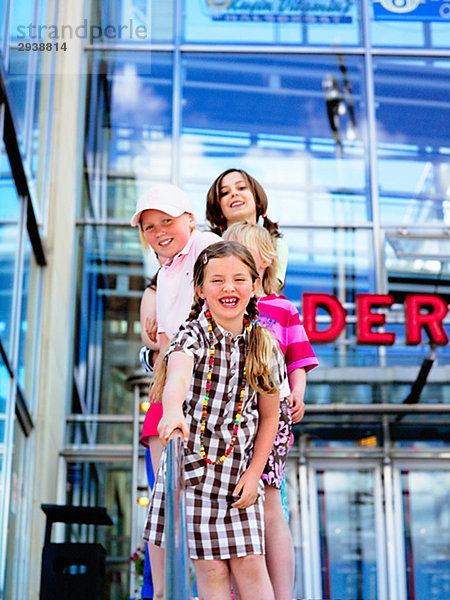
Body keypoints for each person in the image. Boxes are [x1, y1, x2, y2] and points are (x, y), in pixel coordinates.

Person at [144, 241, 287, 600]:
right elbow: (177, 373)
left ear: (254, 286)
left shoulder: (264, 344)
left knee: (251, 564)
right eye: (217, 280)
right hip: (194, 470)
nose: (228, 288)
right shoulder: (192, 335)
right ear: (201, 289)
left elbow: (270, 416)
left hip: (239, 471)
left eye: (239, 279)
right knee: (209, 568)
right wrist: (173, 410)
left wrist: (255, 474)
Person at [131, 182, 221, 599]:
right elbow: (165, 344)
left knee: (200, 503)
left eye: (166, 221)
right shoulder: (166, 272)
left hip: (208, 391)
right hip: (173, 391)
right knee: (166, 500)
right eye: (150, 227)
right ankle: (165, 592)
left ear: (189, 219)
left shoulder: (208, 247)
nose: (159, 232)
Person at [224, 222, 318, 600]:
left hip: (271, 413)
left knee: (269, 502)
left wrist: (297, 392)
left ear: (265, 260)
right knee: (231, 503)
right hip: (228, 418)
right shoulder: (224, 307)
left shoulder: (282, 309)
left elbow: (298, 360)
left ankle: (281, 592)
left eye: (242, 252)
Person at [206, 168, 288, 285]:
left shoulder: (277, 244)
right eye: (225, 193)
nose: (234, 194)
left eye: (241, 188)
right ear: (218, 209)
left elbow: (271, 288)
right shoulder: (209, 244)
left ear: (257, 199)